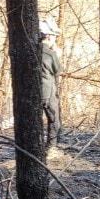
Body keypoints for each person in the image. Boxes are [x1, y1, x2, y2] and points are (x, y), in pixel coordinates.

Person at [39, 17, 63, 151]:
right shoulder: (50, 53)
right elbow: (57, 70)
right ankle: (51, 148)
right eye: (54, 36)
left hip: (33, 92)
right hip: (47, 92)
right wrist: (56, 54)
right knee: (54, 120)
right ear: (48, 36)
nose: (55, 39)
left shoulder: (30, 50)